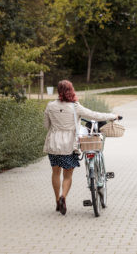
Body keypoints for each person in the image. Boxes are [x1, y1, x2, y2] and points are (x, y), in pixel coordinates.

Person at [43, 80, 120, 215]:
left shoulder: (50, 106)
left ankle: (57, 201)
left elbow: (46, 125)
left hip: (53, 143)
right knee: (67, 176)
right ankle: (63, 197)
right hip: (68, 145)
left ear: (58, 91)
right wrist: (113, 116)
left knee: (55, 172)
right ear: (71, 91)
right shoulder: (74, 107)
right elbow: (94, 115)